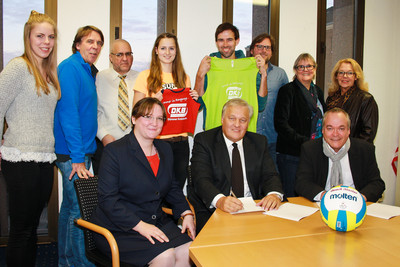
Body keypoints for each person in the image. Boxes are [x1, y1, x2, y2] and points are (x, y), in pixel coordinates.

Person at [90, 97, 195, 266]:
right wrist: (140, 225)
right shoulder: (114, 151)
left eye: (159, 118)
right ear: (134, 119)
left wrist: (186, 213)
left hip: (154, 221)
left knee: (188, 249)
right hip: (119, 228)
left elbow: (173, 187)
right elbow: (108, 201)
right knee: (166, 256)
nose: (154, 123)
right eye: (147, 117)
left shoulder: (165, 149)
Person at [0, 11, 60, 266]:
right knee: (22, 230)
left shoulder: (49, 73)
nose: (46, 41)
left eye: (51, 36)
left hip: (45, 159)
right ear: (28, 37)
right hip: (20, 157)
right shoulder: (18, 67)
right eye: (40, 36)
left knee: (33, 229)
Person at [189, 98, 284, 233]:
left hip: (253, 210)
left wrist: (274, 194)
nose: (237, 125)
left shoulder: (259, 142)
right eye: (232, 118)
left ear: (248, 123)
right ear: (222, 119)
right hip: (215, 211)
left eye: (243, 120)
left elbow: (270, 175)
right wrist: (220, 200)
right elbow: (201, 180)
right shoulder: (205, 141)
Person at [54, 25, 104, 266]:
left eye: (98, 43)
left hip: (80, 151)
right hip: (74, 154)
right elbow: (68, 114)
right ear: (77, 44)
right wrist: (76, 157)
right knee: (79, 211)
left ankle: (65, 261)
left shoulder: (85, 70)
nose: (94, 47)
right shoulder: (70, 68)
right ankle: (79, 263)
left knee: (69, 208)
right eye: (89, 42)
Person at [133, 32, 199, 189]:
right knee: (155, 189)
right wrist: (153, 102)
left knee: (175, 189)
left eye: (171, 48)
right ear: (156, 50)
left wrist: (194, 97)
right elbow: (136, 112)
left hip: (181, 142)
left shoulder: (184, 78)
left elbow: (186, 109)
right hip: (157, 141)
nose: (167, 53)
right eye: (163, 48)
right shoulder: (145, 76)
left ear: (176, 51)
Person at [295, 108, 385, 202]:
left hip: (355, 206)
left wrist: (359, 198)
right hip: (322, 204)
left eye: (341, 128)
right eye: (330, 128)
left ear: (348, 131)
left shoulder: (365, 150)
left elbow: (377, 183)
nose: (335, 134)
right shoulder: (310, 149)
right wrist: (326, 196)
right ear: (323, 130)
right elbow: (302, 183)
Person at [194, 23, 268, 131]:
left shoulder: (251, 67)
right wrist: (200, 75)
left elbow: (260, 106)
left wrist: (264, 75)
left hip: (242, 133)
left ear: (237, 41)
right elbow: (197, 105)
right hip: (215, 134)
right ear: (216, 42)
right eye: (221, 40)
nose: (225, 44)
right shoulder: (209, 66)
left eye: (229, 40)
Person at [274, 53, 326, 197]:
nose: (305, 69)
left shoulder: (318, 92)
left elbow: (324, 118)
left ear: (314, 69)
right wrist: (305, 142)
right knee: (292, 195)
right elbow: (280, 124)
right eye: (301, 66)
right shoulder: (287, 91)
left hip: (315, 153)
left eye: (309, 66)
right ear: (295, 70)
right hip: (292, 154)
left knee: (311, 194)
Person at [94, 39, 139, 174]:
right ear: (111, 58)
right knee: (106, 190)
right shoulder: (98, 78)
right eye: (119, 55)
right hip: (106, 145)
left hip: (135, 147)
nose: (125, 58)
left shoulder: (142, 79)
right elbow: (91, 113)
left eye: (128, 54)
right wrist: (103, 136)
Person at [250, 33, 289, 165]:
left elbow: (286, 104)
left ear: (272, 52)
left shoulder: (280, 74)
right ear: (251, 50)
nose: (263, 50)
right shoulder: (243, 73)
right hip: (249, 135)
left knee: (272, 178)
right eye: (259, 46)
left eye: (268, 47)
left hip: (273, 136)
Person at [326, 58, 378, 143]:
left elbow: (368, 133)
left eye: (350, 73)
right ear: (336, 76)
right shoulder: (331, 99)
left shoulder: (366, 99)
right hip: (333, 149)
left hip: (355, 151)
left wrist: (352, 150)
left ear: (356, 77)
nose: (345, 76)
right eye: (341, 72)